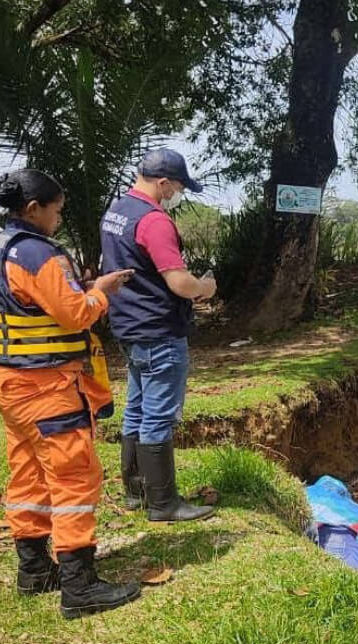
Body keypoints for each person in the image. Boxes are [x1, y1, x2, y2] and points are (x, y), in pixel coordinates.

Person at [0, 169, 140, 618]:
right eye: (56, 211)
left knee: (28, 472)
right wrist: (101, 292)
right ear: (34, 209)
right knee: (74, 477)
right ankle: (79, 586)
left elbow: (31, 305)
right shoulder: (38, 254)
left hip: (8, 381)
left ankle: (33, 570)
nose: (58, 219)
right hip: (45, 386)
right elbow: (75, 315)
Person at [100, 149, 216, 523]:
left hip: (129, 325)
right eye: (178, 185)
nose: (177, 193)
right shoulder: (154, 221)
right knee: (159, 415)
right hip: (159, 328)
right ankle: (165, 503)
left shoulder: (116, 212)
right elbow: (178, 281)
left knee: (136, 408)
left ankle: (136, 492)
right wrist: (205, 287)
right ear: (163, 182)